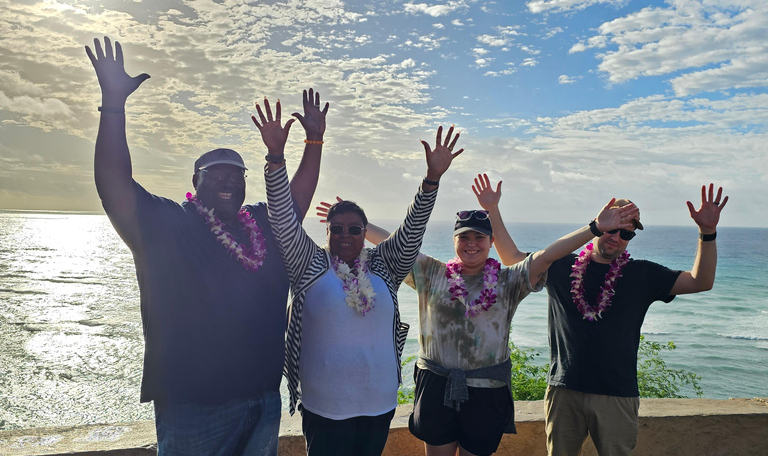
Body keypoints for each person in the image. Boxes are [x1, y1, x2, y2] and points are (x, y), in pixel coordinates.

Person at [85, 36, 328, 456]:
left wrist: (314, 143)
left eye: (237, 174)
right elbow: (113, 185)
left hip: (264, 400)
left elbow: (296, 201)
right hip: (193, 408)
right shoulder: (167, 224)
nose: (229, 180)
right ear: (194, 183)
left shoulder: (263, 225)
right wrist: (113, 104)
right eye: (215, 173)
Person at [330, 173, 639, 456]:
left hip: (487, 392)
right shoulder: (430, 273)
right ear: (454, 242)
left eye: (479, 238)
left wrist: (595, 229)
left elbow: (547, 256)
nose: (472, 244)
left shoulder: (509, 281)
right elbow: (393, 244)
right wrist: (356, 225)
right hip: (436, 384)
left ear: (491, 243)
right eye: (464, 237)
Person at [253, 99, 463, 456]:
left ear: (365, 232)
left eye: (354, 228)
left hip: (378, 404)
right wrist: (276, 158)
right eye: (337, 229)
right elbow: (283, 220)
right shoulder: (310, 264)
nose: (345, 235)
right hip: (325, 407)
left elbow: (412, 231)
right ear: (328, 232)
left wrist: (431, 181)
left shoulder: (384, 265)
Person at [537, 184, 728, 456]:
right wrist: (493, 210)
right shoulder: (560, 266)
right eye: (611, 228)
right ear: (598, 224)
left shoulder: (641, 274)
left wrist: (707, 233)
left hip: (618, 395)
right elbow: (516, 262)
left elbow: (701, 281)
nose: (616, 237)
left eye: (626, 232)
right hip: (564, 390)